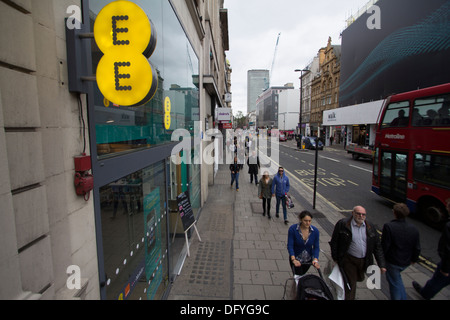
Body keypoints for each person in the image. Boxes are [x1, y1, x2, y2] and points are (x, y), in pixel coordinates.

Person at [329, 206, 386, 300]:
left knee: (358, 278)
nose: (361, 216)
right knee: (350, 283)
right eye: (358, 213)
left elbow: (377, 246)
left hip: (363, 260)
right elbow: (334, 241)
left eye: (363, 214)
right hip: (349, 260)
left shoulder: (370, 226)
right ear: (353, 213)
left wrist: (382, 264)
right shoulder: (343, 224)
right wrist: (336, 258)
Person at [381, 203, 421, 300]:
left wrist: (381, 262)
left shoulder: (389, 226)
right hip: (406, 261)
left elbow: (385, 245)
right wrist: (414, 259)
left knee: (394, 284)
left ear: (394, 213)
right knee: (397, 280)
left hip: (393, 261)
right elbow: (417, 247)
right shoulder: (414, 228)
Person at [413, 198, 450, 300]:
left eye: (447, 206)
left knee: (438, 280)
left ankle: (425, 293)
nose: (446, 208)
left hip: (447, 264)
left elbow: (448, 249)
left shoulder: (448, 226)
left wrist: (445, 268)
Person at [287, 211, 320, 276]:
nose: (308, 223)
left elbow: (316, 247)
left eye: (310, 221)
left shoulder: (315, 231)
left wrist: (315, 259)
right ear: (301, 219)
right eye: (305, 221)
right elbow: (290, 245)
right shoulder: (293, 229)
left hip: (308, 260)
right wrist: (293, 259)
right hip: (296, 258)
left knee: (301, 275)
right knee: (298, 275)